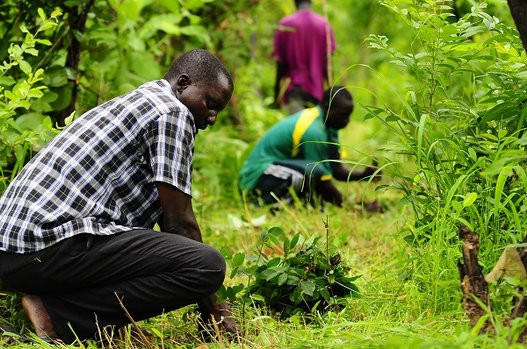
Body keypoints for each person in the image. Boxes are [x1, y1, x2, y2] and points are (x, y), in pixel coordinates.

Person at [0, 49, 239, 344]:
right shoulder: (173, 112)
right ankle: (58, 314)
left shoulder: (143, 99)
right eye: (210, 104)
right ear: (183, 83)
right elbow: (179, 223)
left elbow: (162, 220)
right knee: (206, 265)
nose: (212, 118)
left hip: (15, 253)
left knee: (158, 248)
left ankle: (71, 309)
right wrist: (215, 310)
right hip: (45, 247)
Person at [239, 86, 380, 207]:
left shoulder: (329, 126)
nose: (346, 121)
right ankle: (270, 202)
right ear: (326, 106)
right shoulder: (314, 130)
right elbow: (322, 178)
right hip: (257, 177)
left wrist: (364, 175)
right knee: (315, 172)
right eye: (342, 116)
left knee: (314, 175)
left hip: (279, 169)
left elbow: (335, 168)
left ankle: (299, 201)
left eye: (349, 116)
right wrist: (353, 206)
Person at [272, 0, 336, 114]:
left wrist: (276, 91)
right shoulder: (324, 25)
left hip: (294, 87)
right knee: (312, 128)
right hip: (316, 90)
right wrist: (330, 92)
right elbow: (327, 63)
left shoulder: (285, 23)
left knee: (297, 128)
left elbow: (280, 62)